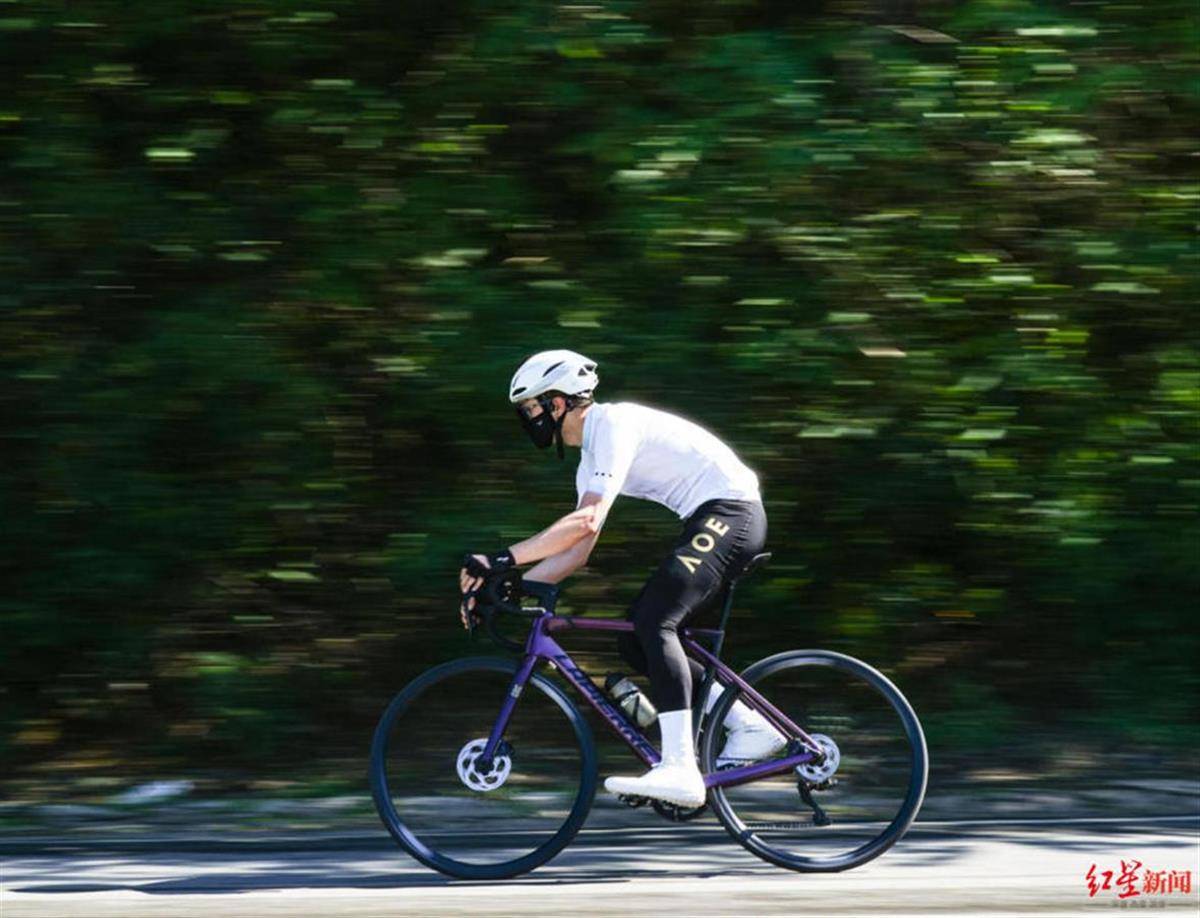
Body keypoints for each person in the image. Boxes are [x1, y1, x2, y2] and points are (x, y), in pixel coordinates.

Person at [458, 349, 781, 808]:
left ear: (558, 403)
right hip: (713, 517)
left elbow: (586, 521)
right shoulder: (590, 457)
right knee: (636, 639)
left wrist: (502, 560)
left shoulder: (612, 425)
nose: (527, 419)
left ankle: (680, 769)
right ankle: (748, 725)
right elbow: (578, 549)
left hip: (732, 513)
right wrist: (512, 585)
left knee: (656, 621)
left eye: (530, 407)